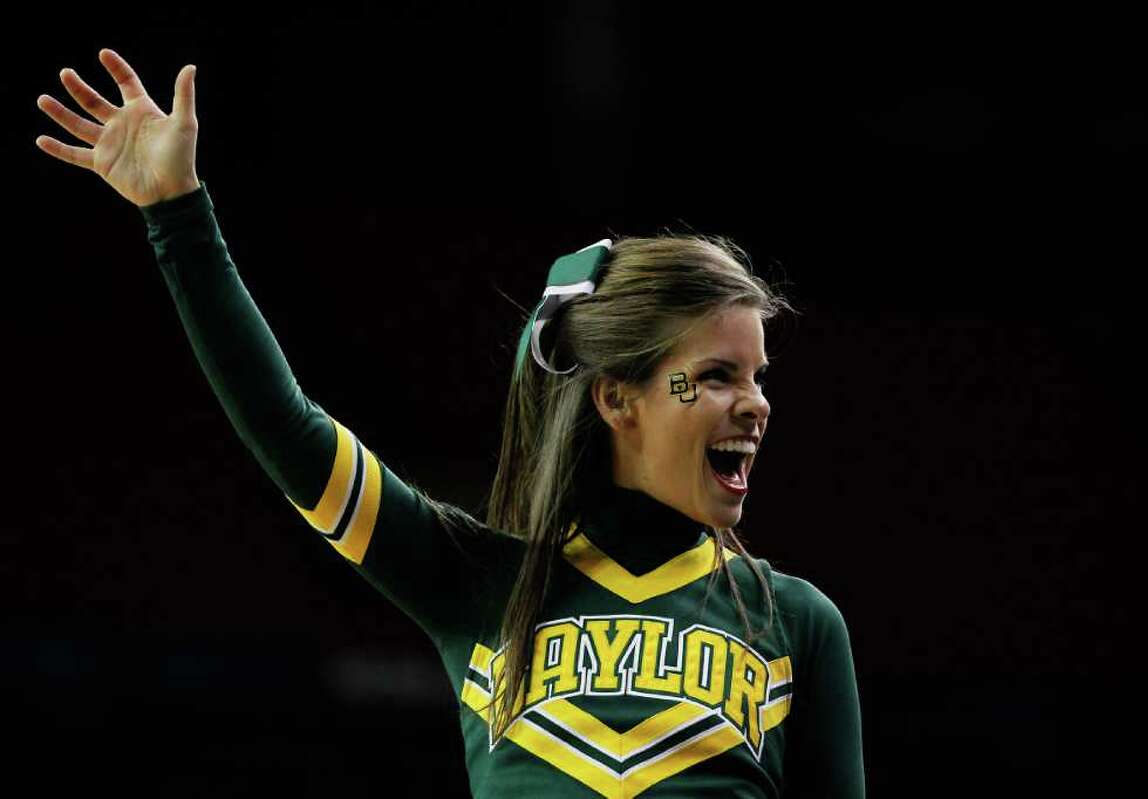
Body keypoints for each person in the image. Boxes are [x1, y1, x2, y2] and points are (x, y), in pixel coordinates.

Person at [36, 49, 866, 798]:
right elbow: (288, 430)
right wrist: (179, 215)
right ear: (616, 398)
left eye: (757, 377)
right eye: (717, 376)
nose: (755, 403)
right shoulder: (480, 583)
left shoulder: (796, 623)